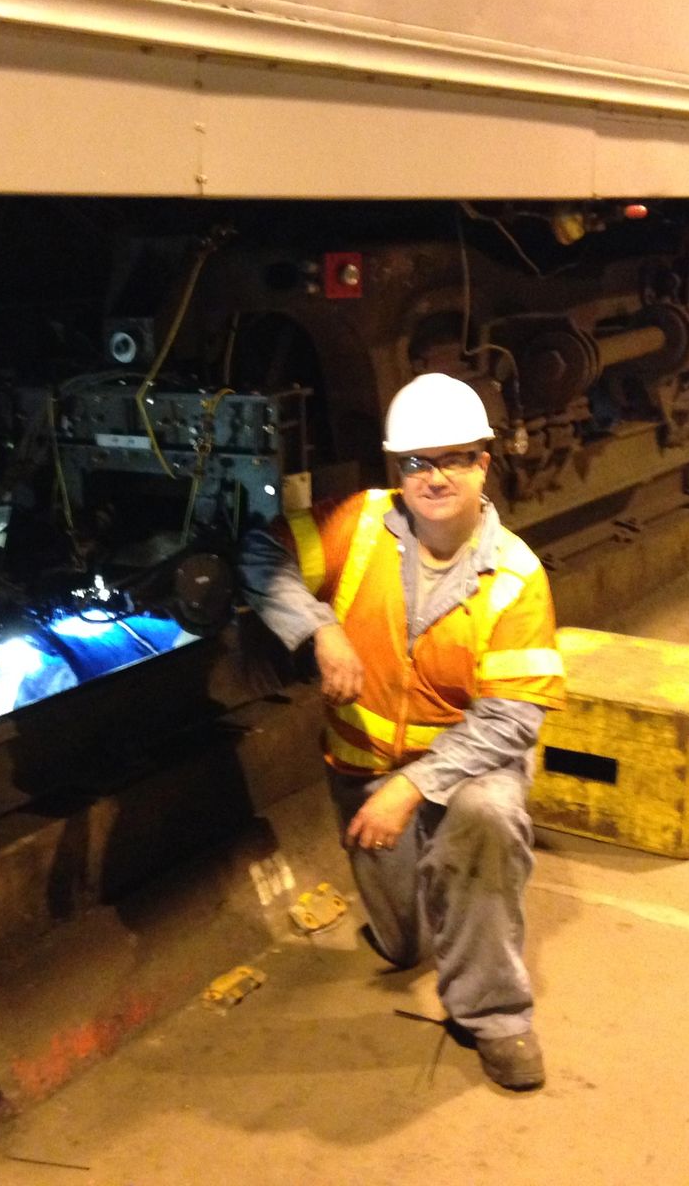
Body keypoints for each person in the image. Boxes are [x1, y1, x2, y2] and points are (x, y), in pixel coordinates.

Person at [238, 372, 566, 1090]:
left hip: (468, 768)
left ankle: (496, 1017)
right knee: (401, 939)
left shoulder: (515, 577)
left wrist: (416, 787)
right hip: (364, 768)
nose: (434, 476)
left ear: (484, 463)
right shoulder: (358, 523)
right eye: (418, 462)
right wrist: (319, 630)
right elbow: (263, 555)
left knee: (482, 822)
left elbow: (513, 716)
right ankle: (413, 925)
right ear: (399, 470)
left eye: (453, 458)